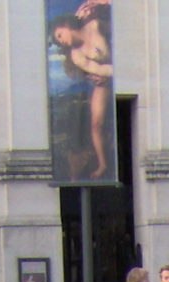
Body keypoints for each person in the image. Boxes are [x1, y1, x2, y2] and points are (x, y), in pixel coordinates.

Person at [48, 1, 114, 182]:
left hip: (119, 68)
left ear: (67, 25)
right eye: (58, 39)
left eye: (60, 35)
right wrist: (113, 73)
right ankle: (103, 164)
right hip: (104, 79)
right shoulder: (76, 55)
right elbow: (98, 70)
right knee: (95, 123)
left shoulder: (95, 24)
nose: (61, 41)